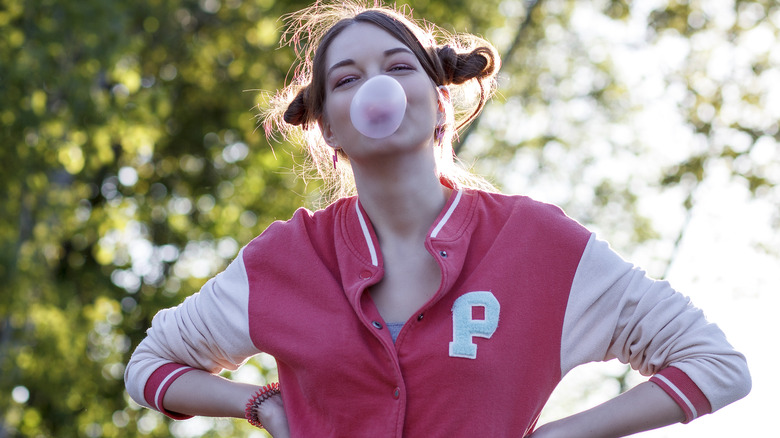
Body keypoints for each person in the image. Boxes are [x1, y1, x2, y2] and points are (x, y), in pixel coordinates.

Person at [124, 2, 751, 437]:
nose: (378, 88)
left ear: (439, 100)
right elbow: (149, 367)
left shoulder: (537, 244)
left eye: (399, 67)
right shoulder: (285, 259)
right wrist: (261, 404)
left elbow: (715, 365)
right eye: (346, 79)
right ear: (329, 127)